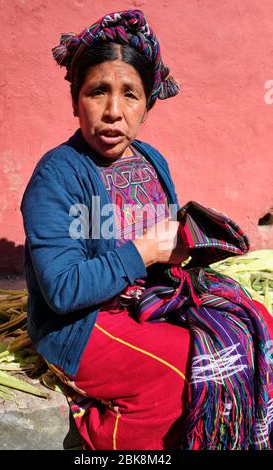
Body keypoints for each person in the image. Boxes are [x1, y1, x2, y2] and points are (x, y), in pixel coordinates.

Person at [20, 10, 273, 450]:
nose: (114, 111)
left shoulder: (151, 159)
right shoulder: (57, 174)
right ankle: (101, 436)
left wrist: (187, 242)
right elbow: (61, 291)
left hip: (150, 300)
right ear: (75, 100)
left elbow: (158, 240)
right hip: (80, 324)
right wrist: (144, 252)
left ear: (147, 105)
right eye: (98, 91)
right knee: (181, 372)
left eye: (130, 95)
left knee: (255, 326)